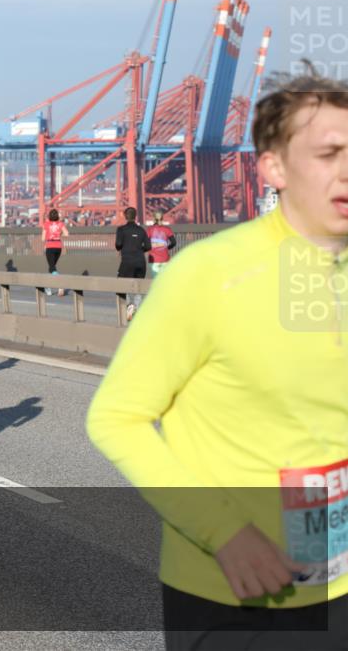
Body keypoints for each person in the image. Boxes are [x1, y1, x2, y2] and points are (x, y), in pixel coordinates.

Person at [87, 64, 348, 650]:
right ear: (274, 167)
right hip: (230, 591)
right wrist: (225, 533)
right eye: (328, 153)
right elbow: (115, 419)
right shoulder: (208, 275)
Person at [115, 206, 151, 321]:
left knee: (120, 285)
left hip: (127, 262)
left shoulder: (121, 229)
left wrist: (126, 248)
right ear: (135, 216)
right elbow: (148, 246)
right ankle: (136, 308)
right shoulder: (142, 230)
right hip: (141, 262)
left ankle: (130, 305)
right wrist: (139, 251)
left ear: (126, 216)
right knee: (138, 287)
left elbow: (118, 245)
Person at [42, 208, 70, 296]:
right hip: (58, 247)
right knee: (52, 267)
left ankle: (59, 283)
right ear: (57, 216)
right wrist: (58, 234)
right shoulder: (60, 224)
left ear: (49, 216)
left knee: (52, 267)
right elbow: (67, 234)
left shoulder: (46, 224)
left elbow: (43, 239)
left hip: (50, 246)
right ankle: (48, 287)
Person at [146, 211, 177, 277]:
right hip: (165, 258)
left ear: (153, 219)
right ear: (162, 219)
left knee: (155, 280)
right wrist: (166, 248)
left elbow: (146, 244)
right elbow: (174, 243)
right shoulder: (167, 229)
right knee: (164, 279)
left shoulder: (149, 230)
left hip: (153, 259)